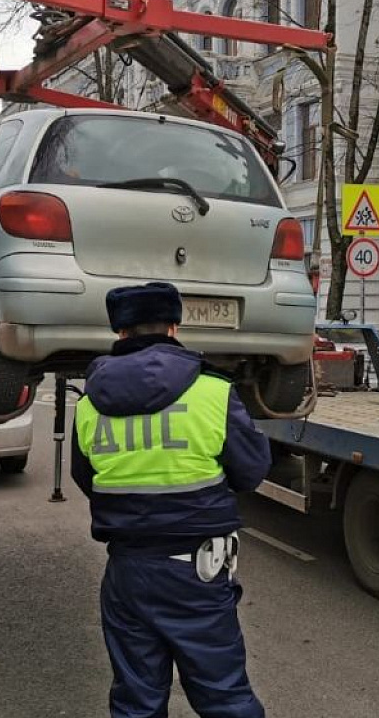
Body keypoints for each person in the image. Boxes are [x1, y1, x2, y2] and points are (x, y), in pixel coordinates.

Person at [70, 282, 272, 718]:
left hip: (126, 570)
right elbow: (252, 472)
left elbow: (87, 479)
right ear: (175, 327)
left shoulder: (89, 405)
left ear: (120, 333)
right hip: (195, 572)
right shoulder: (212, 392)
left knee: (136, 700)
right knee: (224, 697)